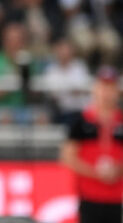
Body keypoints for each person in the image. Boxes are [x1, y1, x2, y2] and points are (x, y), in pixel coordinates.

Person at [60, 66, 123, 223]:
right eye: (103, 87)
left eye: (111, 88)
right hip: (89, 196)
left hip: (117, 197)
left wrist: (118, 170)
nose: (107, 93)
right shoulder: (81, 121)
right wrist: (96, 173)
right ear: (95, 89)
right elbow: (67, 157)